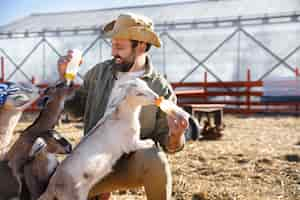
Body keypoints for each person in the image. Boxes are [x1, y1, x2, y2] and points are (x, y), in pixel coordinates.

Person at [57, 13, 189, 200]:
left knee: (155, 159)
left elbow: (170, 145)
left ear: (141, 45)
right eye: (113, 45)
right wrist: (65, 79)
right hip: (91, 164)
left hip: (129, 164)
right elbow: (73, 110)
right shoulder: (98, 73)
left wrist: (176, 136)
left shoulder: (159, 88)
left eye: (119, 46)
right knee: (49, 186)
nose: (113, 52)